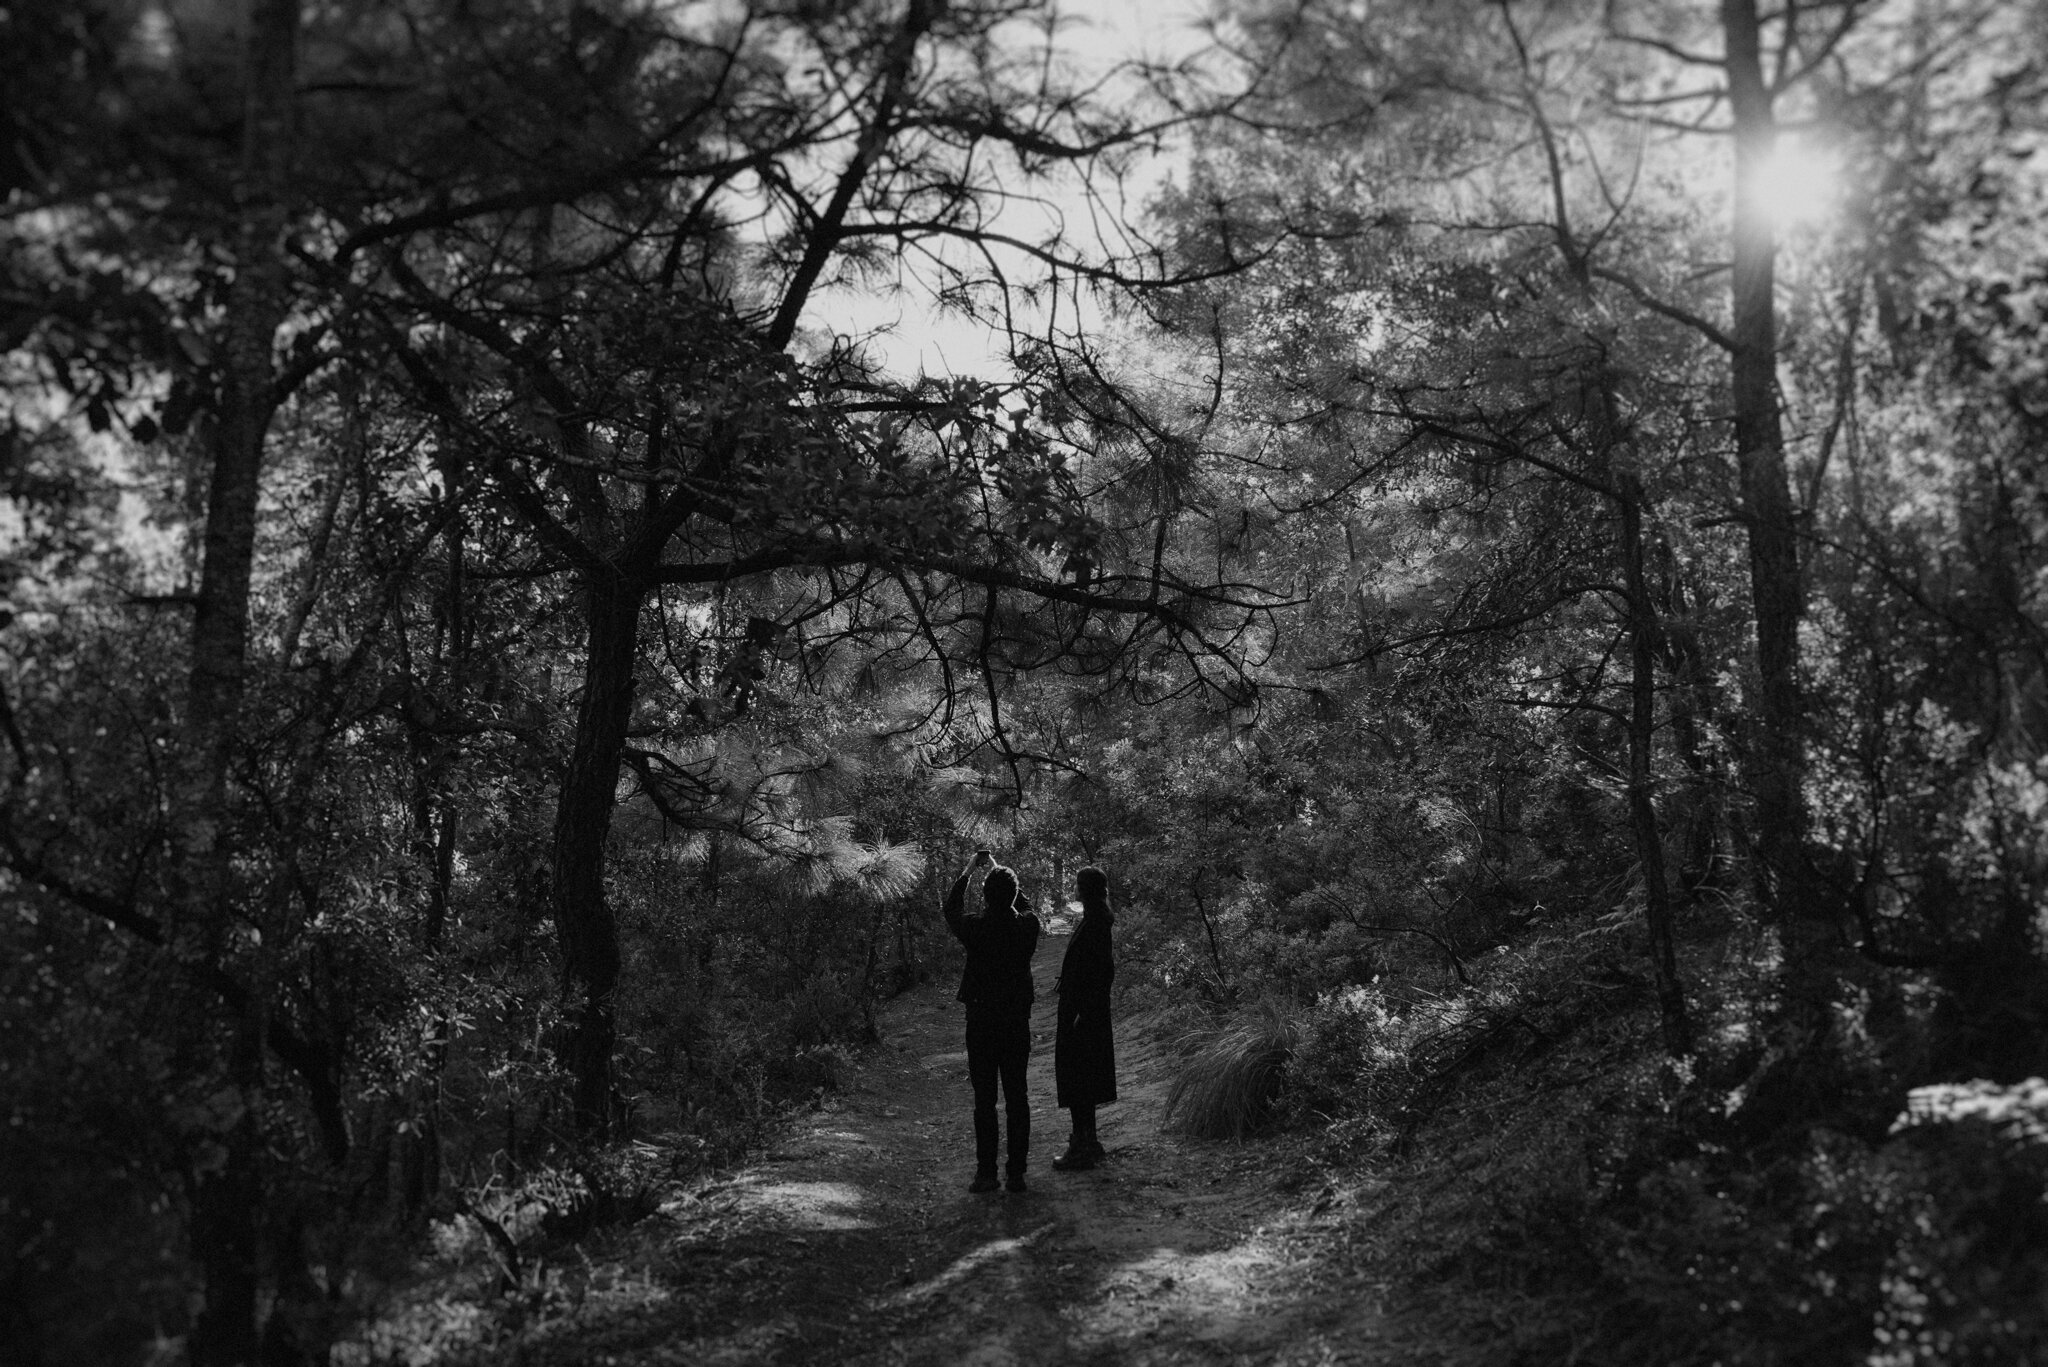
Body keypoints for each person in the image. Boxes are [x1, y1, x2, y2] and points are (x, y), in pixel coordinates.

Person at [943, 849, 1041, 1193]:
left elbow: (950, 910)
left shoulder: (975, 928)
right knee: (1017, 1096)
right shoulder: (1028, 926)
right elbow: (1026, 906)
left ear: (984, 896)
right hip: (1016, 1021)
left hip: (982, 1021)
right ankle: (1016, 1173)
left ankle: (986, 1173)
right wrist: (1000, 870)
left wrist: (969, 870)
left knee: (984, 1098)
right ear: (1013, 894)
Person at [1052, 865, 1117, 1171]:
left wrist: (1083, 1012)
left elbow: (1102, 972)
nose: (1074, 888)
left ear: (1085, 889)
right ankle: (1086, 1141)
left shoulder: (1095, 924)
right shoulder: (1093, 919)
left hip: (1083, 1015)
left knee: (1079, 1080)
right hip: (1083, 1011)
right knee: (1082, 1080)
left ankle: (1082, 1146)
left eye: (1078, 884)